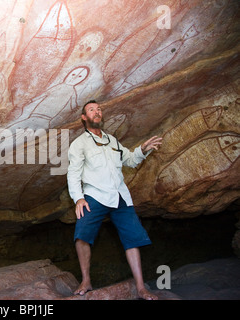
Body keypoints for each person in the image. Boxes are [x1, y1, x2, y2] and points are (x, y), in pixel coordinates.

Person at [67, 100, 162, 300]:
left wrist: (142, 149)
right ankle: (86, 280)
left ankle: (141, 288)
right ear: (84, 117)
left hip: (119, 195)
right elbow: (73, 173)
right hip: (95, 194)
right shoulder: (79, 144)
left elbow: (129, 159)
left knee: (132, 239)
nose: (97, 112)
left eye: (99, 109)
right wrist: (78, 198)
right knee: (82, 233)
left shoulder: (112, 140)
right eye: (92, 110)